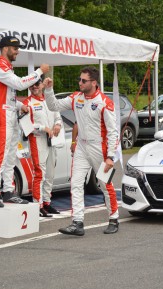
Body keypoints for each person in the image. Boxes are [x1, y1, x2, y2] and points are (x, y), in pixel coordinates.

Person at [43, 66, 120, 235]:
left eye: (83, 80)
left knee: (105, 184)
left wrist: (110, 157)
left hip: (100, 147)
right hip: (81, 146)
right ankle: (77, 222)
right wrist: (48, 89)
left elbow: (113, 131)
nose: (80, 83)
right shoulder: (76, 97)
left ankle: (113, 217)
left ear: (93, 82)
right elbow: (53, 105)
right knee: (76, 184)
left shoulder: (104, 103)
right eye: (79, 79)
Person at [0, 35, 49, 208]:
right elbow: (20, 84)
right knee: (1, 153)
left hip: (10, 113)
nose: (17, 52)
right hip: (2, 114)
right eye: (15, 49)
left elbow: (9, 96)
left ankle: (8, 190)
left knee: (10, 154)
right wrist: (39, 71)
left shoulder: (7, 67)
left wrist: (21, 105)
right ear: (5, 49)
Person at [23, 79, 62, 217]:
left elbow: (58, 116)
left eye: (37, 84)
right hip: (37, 140)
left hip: (52, 140)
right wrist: (43, 128)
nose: (34, 87)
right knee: (40, 174)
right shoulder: (27, 103)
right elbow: (26, 126)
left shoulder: (49, 101)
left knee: (50, 174)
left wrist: (57, 124)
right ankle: (37, 205)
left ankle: (46, 202)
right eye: (31, 85)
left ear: (42, 85)